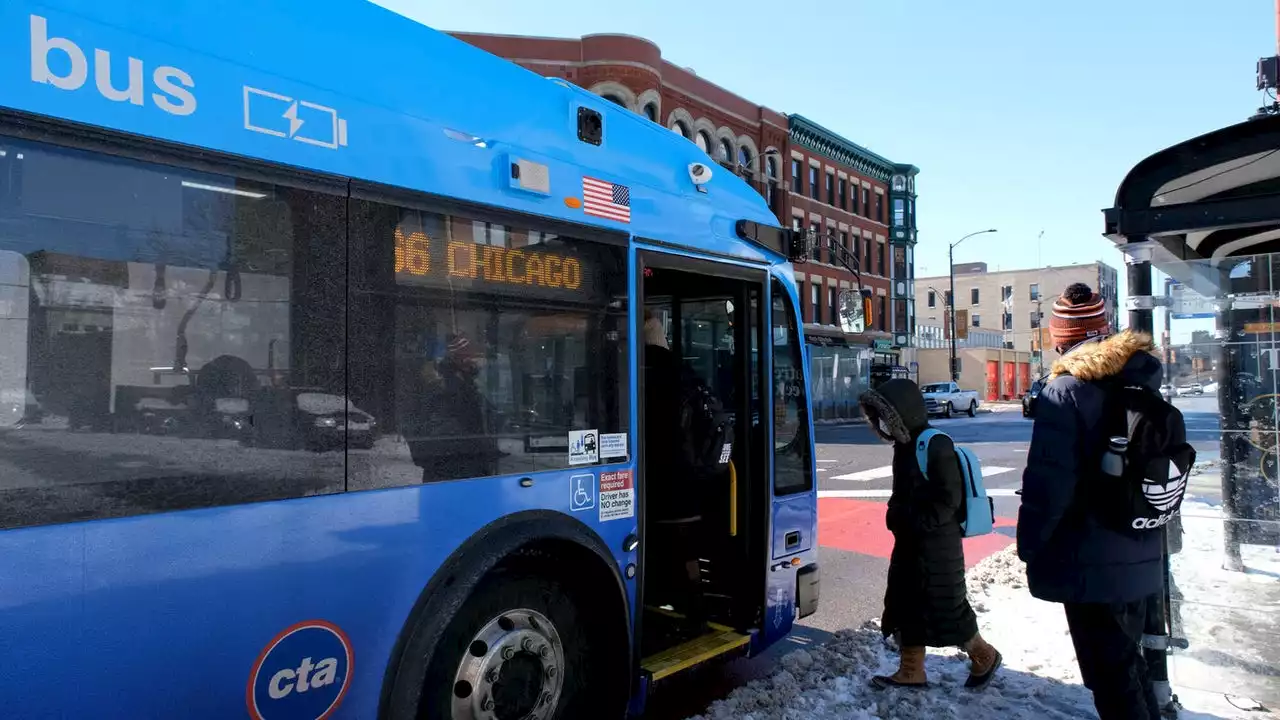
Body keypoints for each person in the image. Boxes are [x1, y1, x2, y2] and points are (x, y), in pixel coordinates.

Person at [1018, 282, 1165, 720]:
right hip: (1138, 547)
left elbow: (1050, 482)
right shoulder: (1138, 380)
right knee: (1128, 668)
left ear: (1062, 339)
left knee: (1110, 681)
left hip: (1089, 559)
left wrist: (1030, 545)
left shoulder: (1066, 391)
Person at [859, 378, 1002, 690]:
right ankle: (912, 670)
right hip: (911, 543)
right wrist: (897, 516)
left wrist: (913, 521)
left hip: (936, 546)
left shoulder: (934, 442)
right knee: (905, 603)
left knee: (946, 607)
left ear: (902, 412)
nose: (881, 422)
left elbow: (948, 498)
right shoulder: (905, 445)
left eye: (886, 414)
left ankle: (984, 655)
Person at [642, 310, 707, 629]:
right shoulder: (683, 373)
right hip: (682, 479)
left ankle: (651, 603)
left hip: (644, 482)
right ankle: (695, 613)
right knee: (685, 552)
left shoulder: (630, 368)